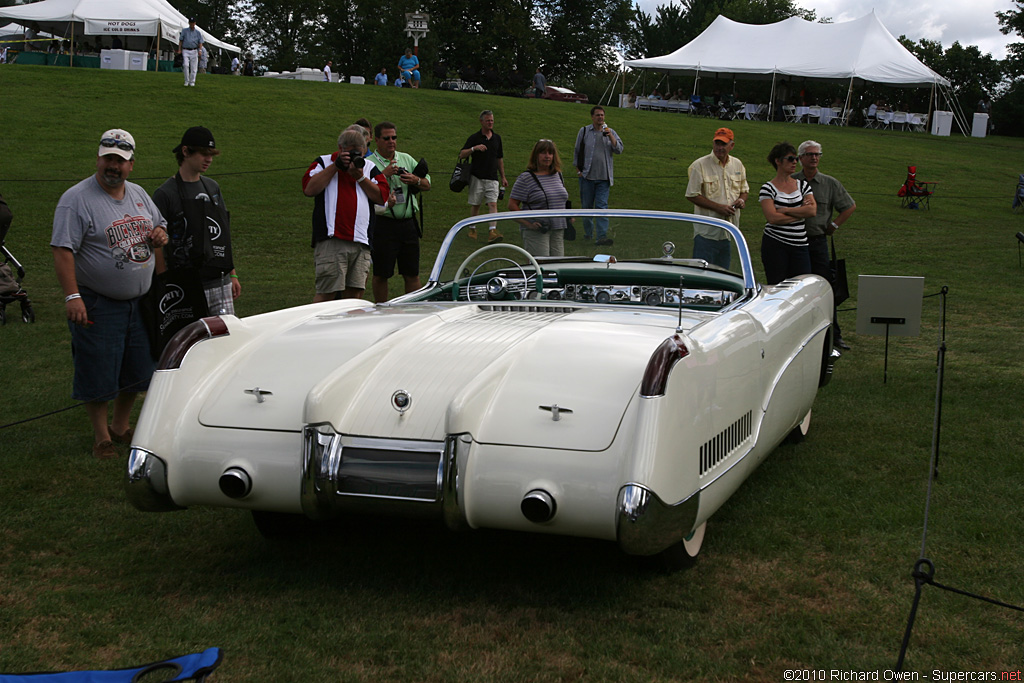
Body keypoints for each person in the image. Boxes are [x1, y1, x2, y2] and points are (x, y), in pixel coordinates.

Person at [50, 129, 169, 459]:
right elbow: (62, 250)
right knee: (98, 367)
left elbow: (159, 227)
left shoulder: (139, 195)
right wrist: (72, 297)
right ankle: (101, 437)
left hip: (139, 303)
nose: (113, 166)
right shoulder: (76, 200)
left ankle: (120, 426)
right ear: (98, 159)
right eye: (108, 158)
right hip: (98, 302)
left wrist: (160, 234)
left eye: (120, 160)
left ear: (131, 165)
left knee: (136, 368)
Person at [152, 126, 239, 316]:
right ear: (185, 152)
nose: (209, 159)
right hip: (186, 285)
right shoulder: (165, 194)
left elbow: (221, 231)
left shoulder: (212, 186)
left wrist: (232, 273)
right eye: (204, 154)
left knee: (225, 342)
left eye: (212, 154)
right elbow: (156, 244)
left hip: (220, 282)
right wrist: (163, 282)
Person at [302, 128, 390, 302]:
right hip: (332, 238)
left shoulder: (369, 167)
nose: (354, 156)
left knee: (355, 296)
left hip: (361, 241)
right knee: (327, 293)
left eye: (358, 152)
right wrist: (336, 166)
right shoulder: (324, 162)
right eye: (349, 151)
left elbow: (382, 197)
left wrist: (360, 177)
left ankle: (349, 329)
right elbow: (309, 189)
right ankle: (318, 328)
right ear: (340, 148)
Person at [793, 140, 855, 350]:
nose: (814, 158)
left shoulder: (830, 183)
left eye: (817, 154)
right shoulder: (791, 181)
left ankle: (834, 335)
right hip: (794, 241)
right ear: (800, 158)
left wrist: (834, 225)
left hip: (818, 242)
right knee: (795, 288)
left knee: (825, 289)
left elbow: (848, 206)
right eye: (809, 154)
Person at [367, 122, 430, 302]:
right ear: (377, 140)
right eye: (386, 138)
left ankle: (412, 310)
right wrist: (384, 174)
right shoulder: (370, 163)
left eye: (394, 137)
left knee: (412, 273)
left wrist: (415, 179)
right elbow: (364, 186)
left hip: (408, 223)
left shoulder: (406, 158)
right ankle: (382, 310)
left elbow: (427, 184)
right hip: (383, 224)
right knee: (382, 273)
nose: (391, 142)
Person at [684, 127, 749, 269]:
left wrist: (741, 200)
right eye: (717, 143)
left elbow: (744, 191)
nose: (719, 148)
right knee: (701, 276)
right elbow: (692, 195)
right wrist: (719, 208)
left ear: (732, 146)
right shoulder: (699, 165)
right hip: (706, 233)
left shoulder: (738, 164)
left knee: (723, 276)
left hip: (729, 233)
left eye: (723, 144)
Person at [758, 142, 816, 285]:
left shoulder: (802, 185)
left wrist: (786, 210)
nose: (795, 162)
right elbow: (772, 218)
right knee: (777, 285)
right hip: (775, 244)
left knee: (801, 287)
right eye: (790, 159)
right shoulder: (768, 188)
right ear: (778, 161)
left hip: (800, 244)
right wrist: (800, 212)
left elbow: (812, 210)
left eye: (796, 159)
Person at [508, 139, 571, 257]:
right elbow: (512, 205)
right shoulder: (526, 178)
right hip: (537, 230)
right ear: (536, 155)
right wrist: (529, 224)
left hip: (558, 228)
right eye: (543, 153)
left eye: (550, 153)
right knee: (542, 266)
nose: (547, 156)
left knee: (559, 265)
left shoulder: (558, 175)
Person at [573, 106, 623, 246]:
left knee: (602, 207)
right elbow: (577, 151)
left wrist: (611, 136)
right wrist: (578, 171)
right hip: (587, 177)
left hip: (604, 178)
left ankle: (601, 237)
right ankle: (588, 233)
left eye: (602, 115)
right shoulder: (584, 132)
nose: (600, 117)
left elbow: (619, 149)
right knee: (587, 207)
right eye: (597, 115)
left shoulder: (610, 132)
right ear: (592, 117)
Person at [459, 110, 508, 243]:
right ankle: (472, 228)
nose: (490, 123)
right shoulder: (474, 138)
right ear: (481, 121)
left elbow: (499, 158)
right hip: (477, 177)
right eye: (488, 120)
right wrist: (474, 148)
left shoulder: (497, 138)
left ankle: (492, 231)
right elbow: (462, 154)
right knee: (476, 204)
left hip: (492, 177)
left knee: (493, 203)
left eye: (492, 120)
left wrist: (503, 176)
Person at [178, 18, 203, 87]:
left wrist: (200, 50)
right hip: (185, 50)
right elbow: (181, 40)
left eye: (193, 23)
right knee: (186, 65)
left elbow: (200, 42)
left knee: (194, 67)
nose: (192, 24)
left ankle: (192, 81)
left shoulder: (198, 32)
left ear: (195, 23)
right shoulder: (184, 31)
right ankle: (186, 80)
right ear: (189, 23)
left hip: (194, 50)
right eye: (191, 23)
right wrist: (179, 49)